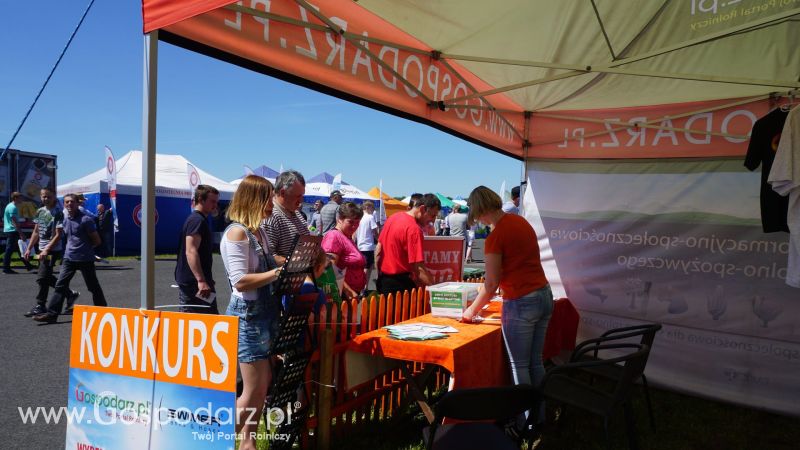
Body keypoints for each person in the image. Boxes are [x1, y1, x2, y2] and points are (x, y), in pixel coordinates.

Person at [461, 186, 551, 427]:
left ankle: (525, 423)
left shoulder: (496, 237)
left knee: (520, 366)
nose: (477, 220)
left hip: (522, 301)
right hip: (543, 295)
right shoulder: (520, 223)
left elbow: (490, 284)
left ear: (480, 211)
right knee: (536, 362)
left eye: (476, 214)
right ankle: (541, 414)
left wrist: (471, 311)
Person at [221, 175, 284, 450]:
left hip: (264, 315)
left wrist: (293, 259)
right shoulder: (237, 232)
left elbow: (268, 262)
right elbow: (240, 280)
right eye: (267, 198)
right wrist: (277, 272)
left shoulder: (258, 231)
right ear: (253, 199)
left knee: (260, 387)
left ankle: (247, 444)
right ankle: (216, 441)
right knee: (252, 390)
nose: (272, 203)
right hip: (248, 317)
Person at [34, 193, 108, 323]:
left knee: (93, 286)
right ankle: (52, 314)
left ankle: (102, 310)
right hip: (69, 258)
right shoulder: (64, 219)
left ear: (77, 203)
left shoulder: (86, 220)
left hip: (85, 259)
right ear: (64, 204)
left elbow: (97, 240)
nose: (69, 204)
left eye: (72, 202)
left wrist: (86, 248)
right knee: (60, 285)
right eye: (67, 202)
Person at [23, 188, 76, 317]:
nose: (45, 199)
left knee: (42, 277)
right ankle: (69, 294)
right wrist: (29, 248)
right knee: (46, 277)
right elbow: (36, 231)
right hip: (41, 249)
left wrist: (47, 249)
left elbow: (58, 235)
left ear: (53, 197)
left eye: (48, 197)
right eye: (43, 196)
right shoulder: (40, 211)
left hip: (52, 249)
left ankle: (40, 305)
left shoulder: (58, 212)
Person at [376, 193, 440, 296]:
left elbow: (379, 249)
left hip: (384, 280)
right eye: (432, 215)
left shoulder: (392, 218)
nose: (433, 220)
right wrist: (436, 290)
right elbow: (419, 268)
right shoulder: (414, 229)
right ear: (422, 208)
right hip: (401, 285)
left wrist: (379, 275)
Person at [175, 184, 220, 314]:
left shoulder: (199, 220)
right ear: (201, 199)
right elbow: (191, 251)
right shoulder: (197, 220)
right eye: (212, 201)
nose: (215, 205)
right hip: (194, 285)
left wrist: (206, 279)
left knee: (209, 320)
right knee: (192, 324)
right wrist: (201, 280)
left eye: (216, 202)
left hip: (197, 283)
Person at [322, 202, 367, 299]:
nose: (354, 226)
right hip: (341, 295)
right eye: (350, 222)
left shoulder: (347, 236)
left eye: (357, 222)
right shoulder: (334, 236)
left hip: (352, 293)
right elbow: (329, 269)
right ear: (340, 219)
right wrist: (348, 291)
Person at [264, 170, 309, 266]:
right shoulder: (271, 217)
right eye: (297, 196)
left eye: (302, 195)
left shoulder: (296, 212)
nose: (301, 200)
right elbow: (267, 258)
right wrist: (294, 262)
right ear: (283, 193)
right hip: (283, 278)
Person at [3, 191, 34, 273]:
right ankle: (6, 268)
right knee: (9, 250)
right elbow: (14, 221)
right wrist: (21, 234)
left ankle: (28, 265)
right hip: (12, 230)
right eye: (21, 198)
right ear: (16, 198)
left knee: (18, 249)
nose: (22, 199)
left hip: (12, 230)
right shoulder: (12, 207)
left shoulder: (11, 206)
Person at [356, 200, 379, 288]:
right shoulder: (370, 217)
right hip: (368, 246)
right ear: (367, 207)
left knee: (363, 268)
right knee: (367, 268)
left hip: (359, 245)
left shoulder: (359, 217)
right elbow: (374, 231)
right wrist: (379, 239)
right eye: (372, 208)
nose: (373, 210)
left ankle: (363, 287)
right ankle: (364, 287)